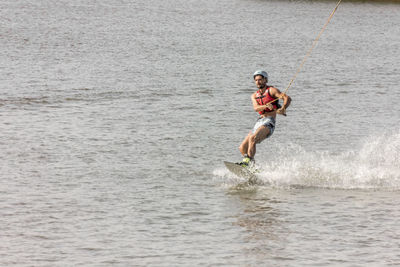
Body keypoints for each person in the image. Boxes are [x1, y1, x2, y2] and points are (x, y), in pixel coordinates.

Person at [238, 70, 291, 168]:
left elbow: (287, 98)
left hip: (269, 122)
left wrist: (283, 108)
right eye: (256, 80)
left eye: (260, 80)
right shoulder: (254, 95)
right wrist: (265, 106)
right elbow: (255, 108)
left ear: (265, 80)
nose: (258, 82)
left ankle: (247, 163)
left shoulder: (272, 90)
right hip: (259, 121)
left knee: (253, 138)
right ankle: (252, 166)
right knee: (242, 148)